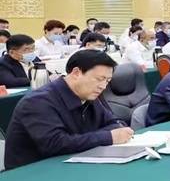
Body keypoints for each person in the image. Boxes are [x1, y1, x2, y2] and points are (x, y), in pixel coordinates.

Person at [3, 49, 134, 170]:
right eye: (100, 79)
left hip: (76, 163)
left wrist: (84, 139)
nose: (103, 86)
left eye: (107, 81)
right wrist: (107, 137)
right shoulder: (37, 102)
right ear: (76, 73)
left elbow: (116, 124)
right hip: (33, 172)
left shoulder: (89, 95)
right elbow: (56, 144)